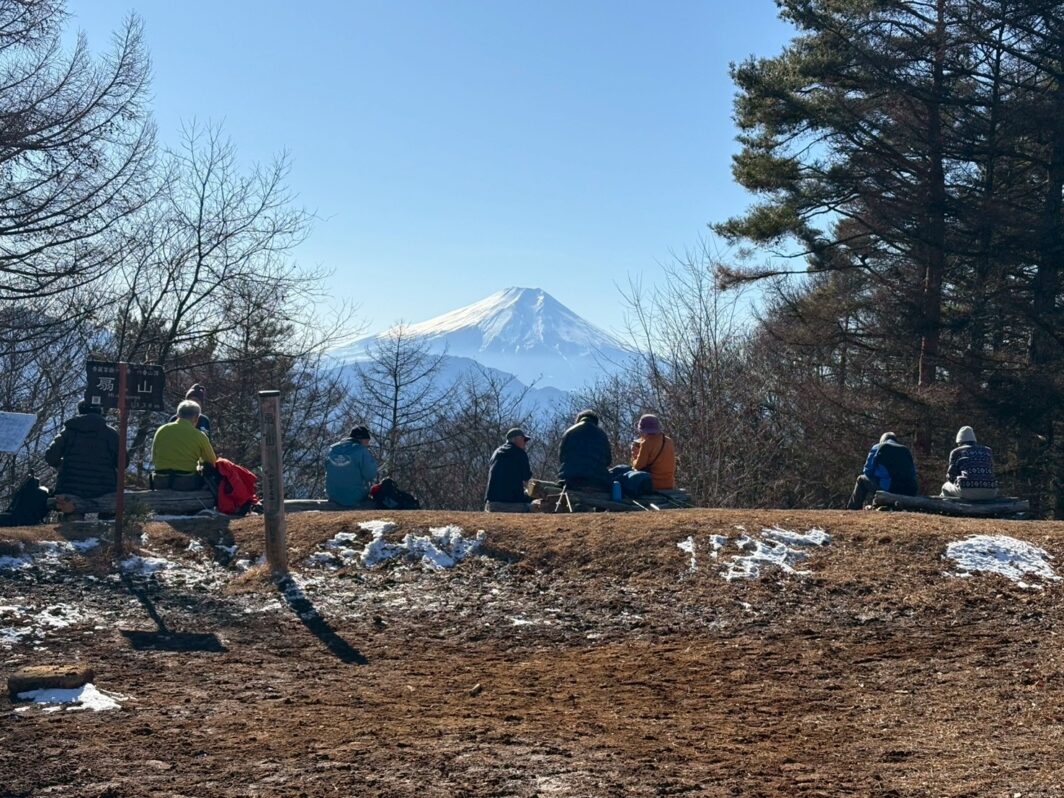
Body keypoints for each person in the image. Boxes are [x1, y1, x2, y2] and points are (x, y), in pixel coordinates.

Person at [44, 400, 120, 498]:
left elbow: (51, 456)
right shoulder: (111, 434)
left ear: (80, 411)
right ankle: (106, 514)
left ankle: (72, 514)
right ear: (99, 411)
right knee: (108, 510)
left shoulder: (68, 432)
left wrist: (63, 466)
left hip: (70, 489)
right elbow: (123, 463)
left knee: (72, 511)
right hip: (104, 491)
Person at [151, 400, 217, 490]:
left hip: (160, 481)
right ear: (196, 418)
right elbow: (212, 462)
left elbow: (154, 458)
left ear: (177, 415)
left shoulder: (161, 430)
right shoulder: (199, 435)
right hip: (186, 482)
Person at [847, 431, 918, 510]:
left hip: (888, 488)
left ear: (882, 440)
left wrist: (878, 474)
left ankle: (852, 509)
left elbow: (867, 471)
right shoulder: (905, 450)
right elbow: (913, 474)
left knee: (861, 479)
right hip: (908, 490)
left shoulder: (877, 447)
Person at [558, 409, 611, 491]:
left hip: (570, 480)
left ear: (578, 420)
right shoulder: (603, 435)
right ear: (595, 422)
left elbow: (561, 457)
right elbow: (608, 460)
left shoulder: (569, 431)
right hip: (598, 482)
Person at [325, 425, 378, 507]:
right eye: (367, 441)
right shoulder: (361, 450)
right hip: (354, 497)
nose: (367, 444)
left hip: (333, 496)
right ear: (361, 439)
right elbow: (370, 475)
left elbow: (327, 469)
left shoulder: (332, 449)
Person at [942, 426, 999, 500]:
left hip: (967, 491)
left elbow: (950, 476)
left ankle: (949, 507)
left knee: (946, 486)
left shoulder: (956, 452)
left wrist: (958, 480)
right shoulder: (988, 451)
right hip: (991, 491)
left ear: (959, 441)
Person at [485, 428, 533, 512]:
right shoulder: (519, 453)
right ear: (516, 439)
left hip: (491, 503)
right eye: (523, 439)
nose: (524, 442)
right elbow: (527, 477)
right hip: (510, 503)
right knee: (535, 506)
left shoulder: (496, 453)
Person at [629, 414, 676, 491]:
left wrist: (634, 455)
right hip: (669, 484)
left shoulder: (646, 444)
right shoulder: (669, 441)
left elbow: (638, 466)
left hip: (653, 485)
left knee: (623, 474)